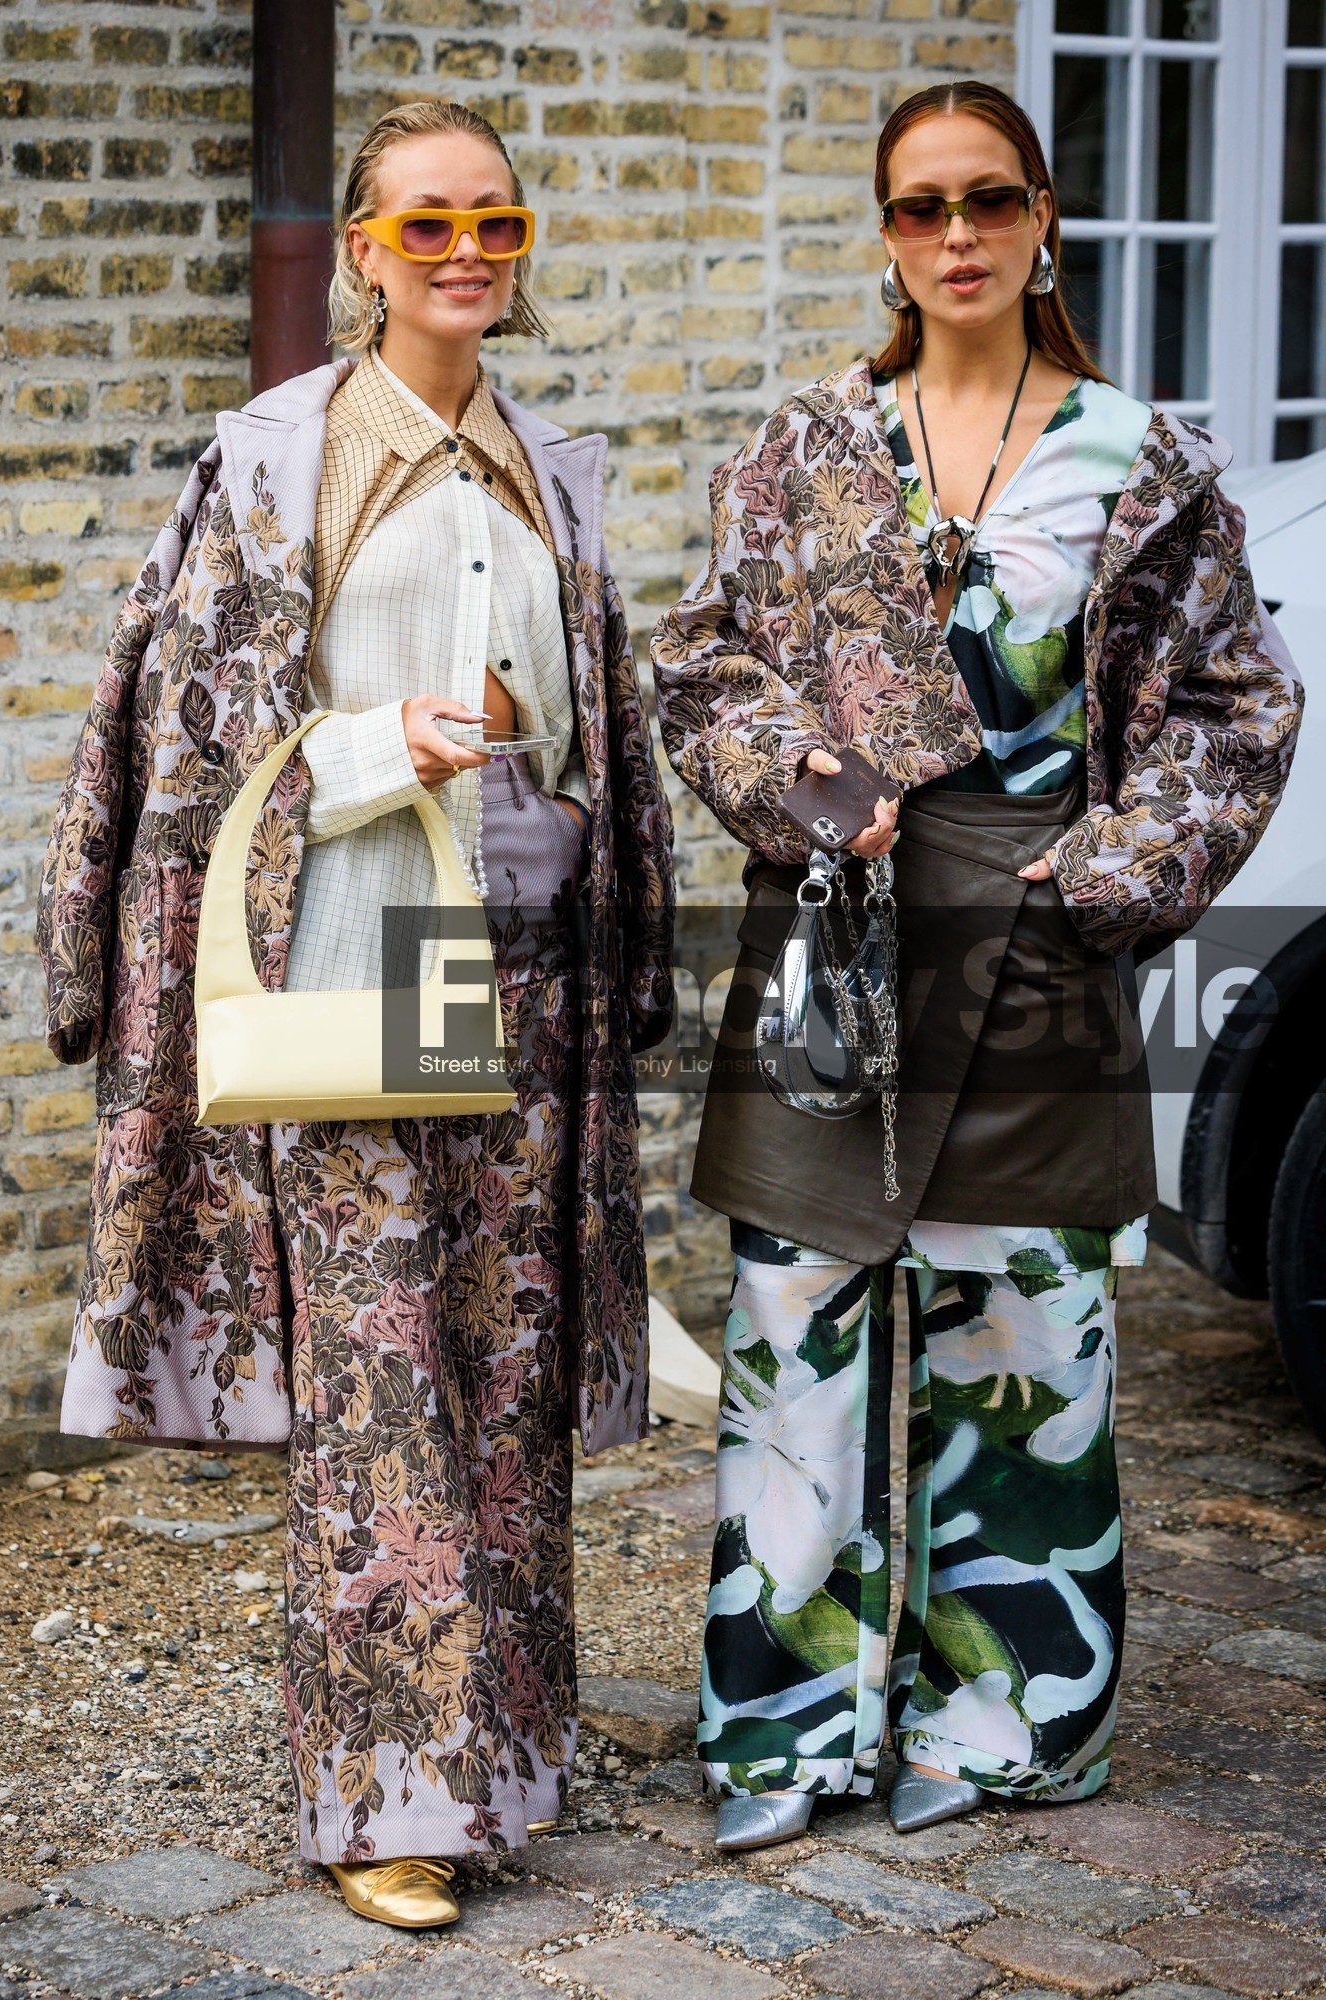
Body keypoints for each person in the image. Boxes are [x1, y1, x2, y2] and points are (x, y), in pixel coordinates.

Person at [37, 100, 674, 1926]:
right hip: (363, 950)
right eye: (429, 225)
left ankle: (504, 1767)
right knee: (386, 1382)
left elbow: (598, 728)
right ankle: (379, 1803)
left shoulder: (556, 466)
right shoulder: (275, 461)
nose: (467, 251)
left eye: (498, 219)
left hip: (529, 977)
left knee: (506, 1372)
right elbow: (186, 741)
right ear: (365, 253)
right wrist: (386, 744)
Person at [652, 79, 1302, 1849]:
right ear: (885, 232)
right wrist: (796, 776)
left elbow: (1241, 708)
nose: (957, 235)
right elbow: (697, 666)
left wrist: (1101, 876)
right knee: (795, 1336)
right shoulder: (801, 452)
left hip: (1033, 945)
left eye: (991, 201)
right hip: (833, 951)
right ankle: (786, 1733)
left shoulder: (1133, 457)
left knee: (1027, 1330)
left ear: (1042, 224)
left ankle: (1008, 1721)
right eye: (923, 206)